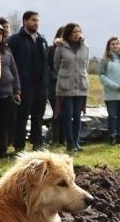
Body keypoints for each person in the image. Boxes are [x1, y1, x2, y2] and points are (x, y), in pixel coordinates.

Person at [8, 11, 49, 152]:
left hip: (40, 86)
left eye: (37, 20)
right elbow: (10, 63)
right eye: (33, 20)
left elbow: (46, 62)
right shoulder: (15, 40)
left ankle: (37, 143)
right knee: (22, 116)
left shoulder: (42, 40)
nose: (36, 23)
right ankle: (19, 145)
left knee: (38, 116)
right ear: (25, 21)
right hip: (24, 85)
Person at [53, 23, 89, 152]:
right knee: (67, 116)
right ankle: (70, 143)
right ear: (68, 34)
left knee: (77, 116)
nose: (77, 34)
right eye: (74, 32)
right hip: (65, 87)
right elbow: (56, 65)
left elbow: (86, 65)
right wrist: (66, 76)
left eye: (79, 31)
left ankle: (76, 142)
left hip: (80, 86)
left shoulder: (86, 47)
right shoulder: (61, 47)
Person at [0, 21, 20, 158]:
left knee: (7, 122)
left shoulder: (7, 50)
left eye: (0, 34)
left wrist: (17, 90)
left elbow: (14, 70)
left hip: (8, 91)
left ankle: (4, 149)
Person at [98, 36, 120, 145]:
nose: (115, 46)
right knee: (112, 116)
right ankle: (112, 137)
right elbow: (101, 75)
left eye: (117, 43)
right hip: (111, 94)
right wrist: (115, 86)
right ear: (109, 46)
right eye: (113, 44)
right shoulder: (105, 60)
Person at [46, 26, 64, 145]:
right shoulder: (51, 49)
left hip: (66, 86)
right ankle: (55, 139)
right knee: (57, 112)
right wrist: (57, 76)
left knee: (64, 113)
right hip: (54, 86)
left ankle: (63, 139)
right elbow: (47, 66)